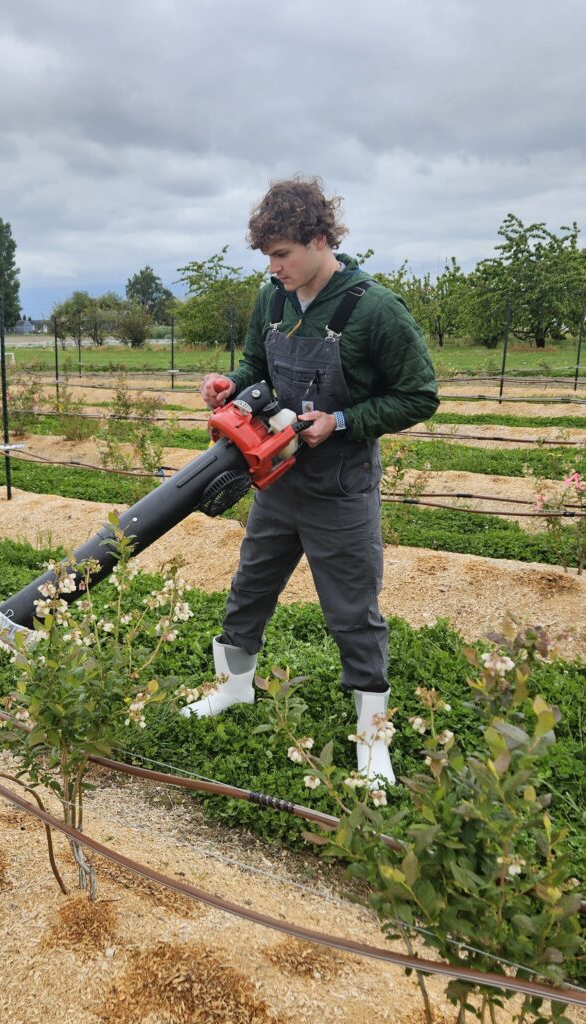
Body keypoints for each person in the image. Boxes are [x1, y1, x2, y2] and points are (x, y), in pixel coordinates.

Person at [183, 176, 440, 785]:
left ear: (320, 239)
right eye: (268, 257)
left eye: (282, 255)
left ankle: (373, 739)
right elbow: (255, 364)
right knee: (250, 587)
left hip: (341, 487)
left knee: (353, 611)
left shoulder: (373, 309)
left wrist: (344, 420)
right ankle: (232, 687)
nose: (274, 269)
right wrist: (229, 384)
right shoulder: (271, 298)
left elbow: (419, 395)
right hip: (276, 479)